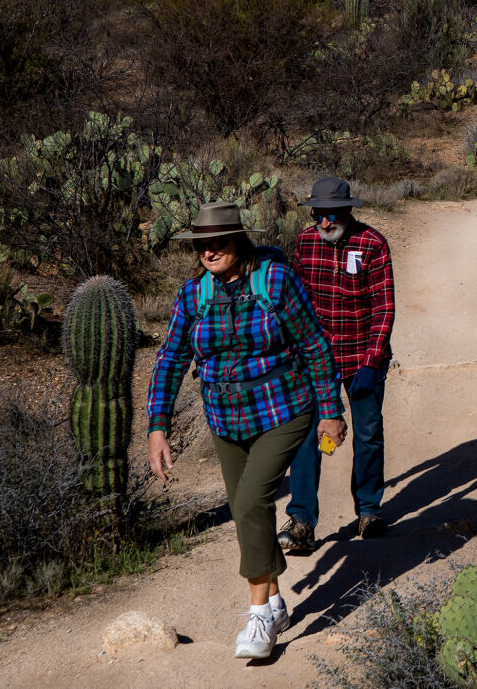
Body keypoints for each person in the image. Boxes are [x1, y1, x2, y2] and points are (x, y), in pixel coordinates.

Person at [146, 201, 344, 662]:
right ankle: (275, 600)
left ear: (237, 241)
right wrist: (158, 427)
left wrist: (330, 411)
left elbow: (314, 343)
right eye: (201, 245)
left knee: (253, 500)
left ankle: (258, 615)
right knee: (243, 511)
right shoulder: (194, 294)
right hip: (225, 417)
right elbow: (171, 359)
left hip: (283, 408)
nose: (208, 252)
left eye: (217, 243)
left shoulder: (274, 280)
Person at [276, 176, 396, 554]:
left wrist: (372, 360)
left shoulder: (373, 244)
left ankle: (369, 510)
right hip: (316, 361)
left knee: (367, 433)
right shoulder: (306, 242)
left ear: (348, 211)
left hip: (363, 358)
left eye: (332, 215)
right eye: (319, 214)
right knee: (306, 439)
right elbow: (297, 301)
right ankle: (301, 522)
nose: (325, 223)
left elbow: (384, 307)